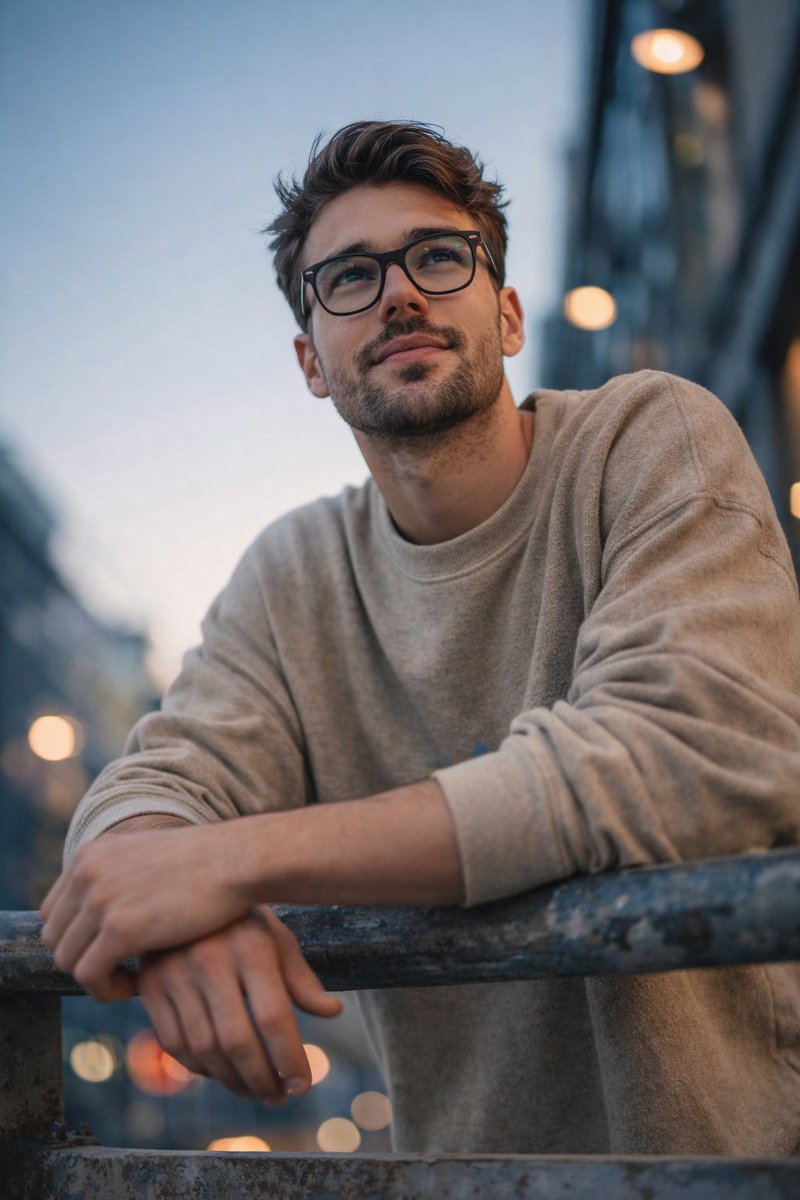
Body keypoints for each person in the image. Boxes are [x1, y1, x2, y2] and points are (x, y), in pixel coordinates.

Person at [41, 120, 800, 1155]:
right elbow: (152, 785)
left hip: (737, 1162)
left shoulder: (646, 438)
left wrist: (222, 865)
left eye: (438, 257)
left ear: (508, 310)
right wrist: (158, 885)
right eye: (348, 276)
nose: (399, 292)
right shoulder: (294, 572)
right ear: (311, 361)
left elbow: (677, 757)